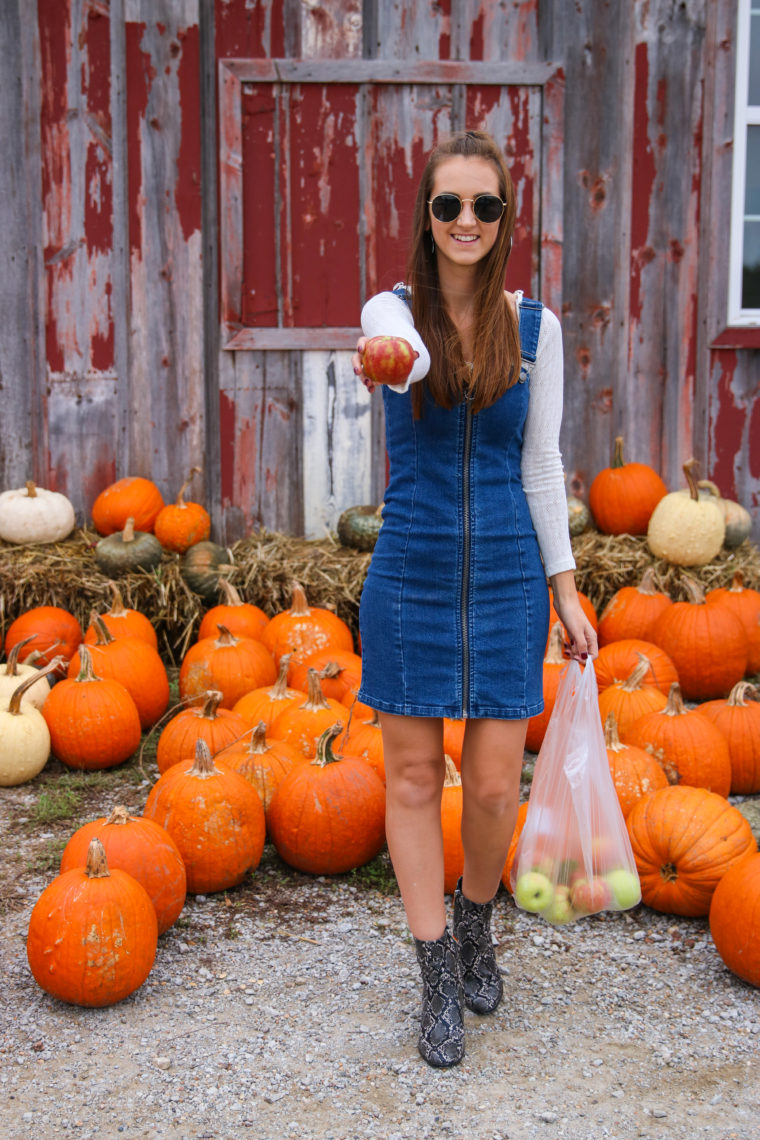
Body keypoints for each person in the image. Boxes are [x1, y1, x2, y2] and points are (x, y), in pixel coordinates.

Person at [351, 129, 597, 1068]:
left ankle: (477, 923)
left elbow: (543, 466)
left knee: (494, 784)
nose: (465, 221)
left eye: (483, 206)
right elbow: (398, 353)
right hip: (408, 570)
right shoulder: (392, 310)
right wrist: (387, 352)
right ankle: (434, 975)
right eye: (448, 205)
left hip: (503, 575)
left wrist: (564, 590)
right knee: (414, 781)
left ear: (504, 220)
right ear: (427, 215)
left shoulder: (537, 331)